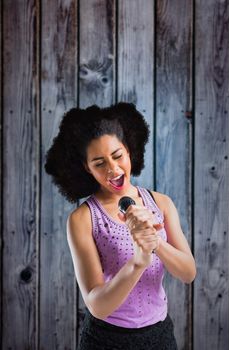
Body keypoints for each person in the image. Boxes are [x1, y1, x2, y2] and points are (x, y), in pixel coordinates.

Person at [44, 102, 196, 350]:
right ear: (86, 168)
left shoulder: (162, 204)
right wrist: (138, 262)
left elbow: (188, 273)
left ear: (129, 151)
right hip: (105, 339)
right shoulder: (82, 219)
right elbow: (97, 306)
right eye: (99, 163)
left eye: (117, 156)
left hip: (159, 336)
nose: (113, 169)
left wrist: (154, 241)